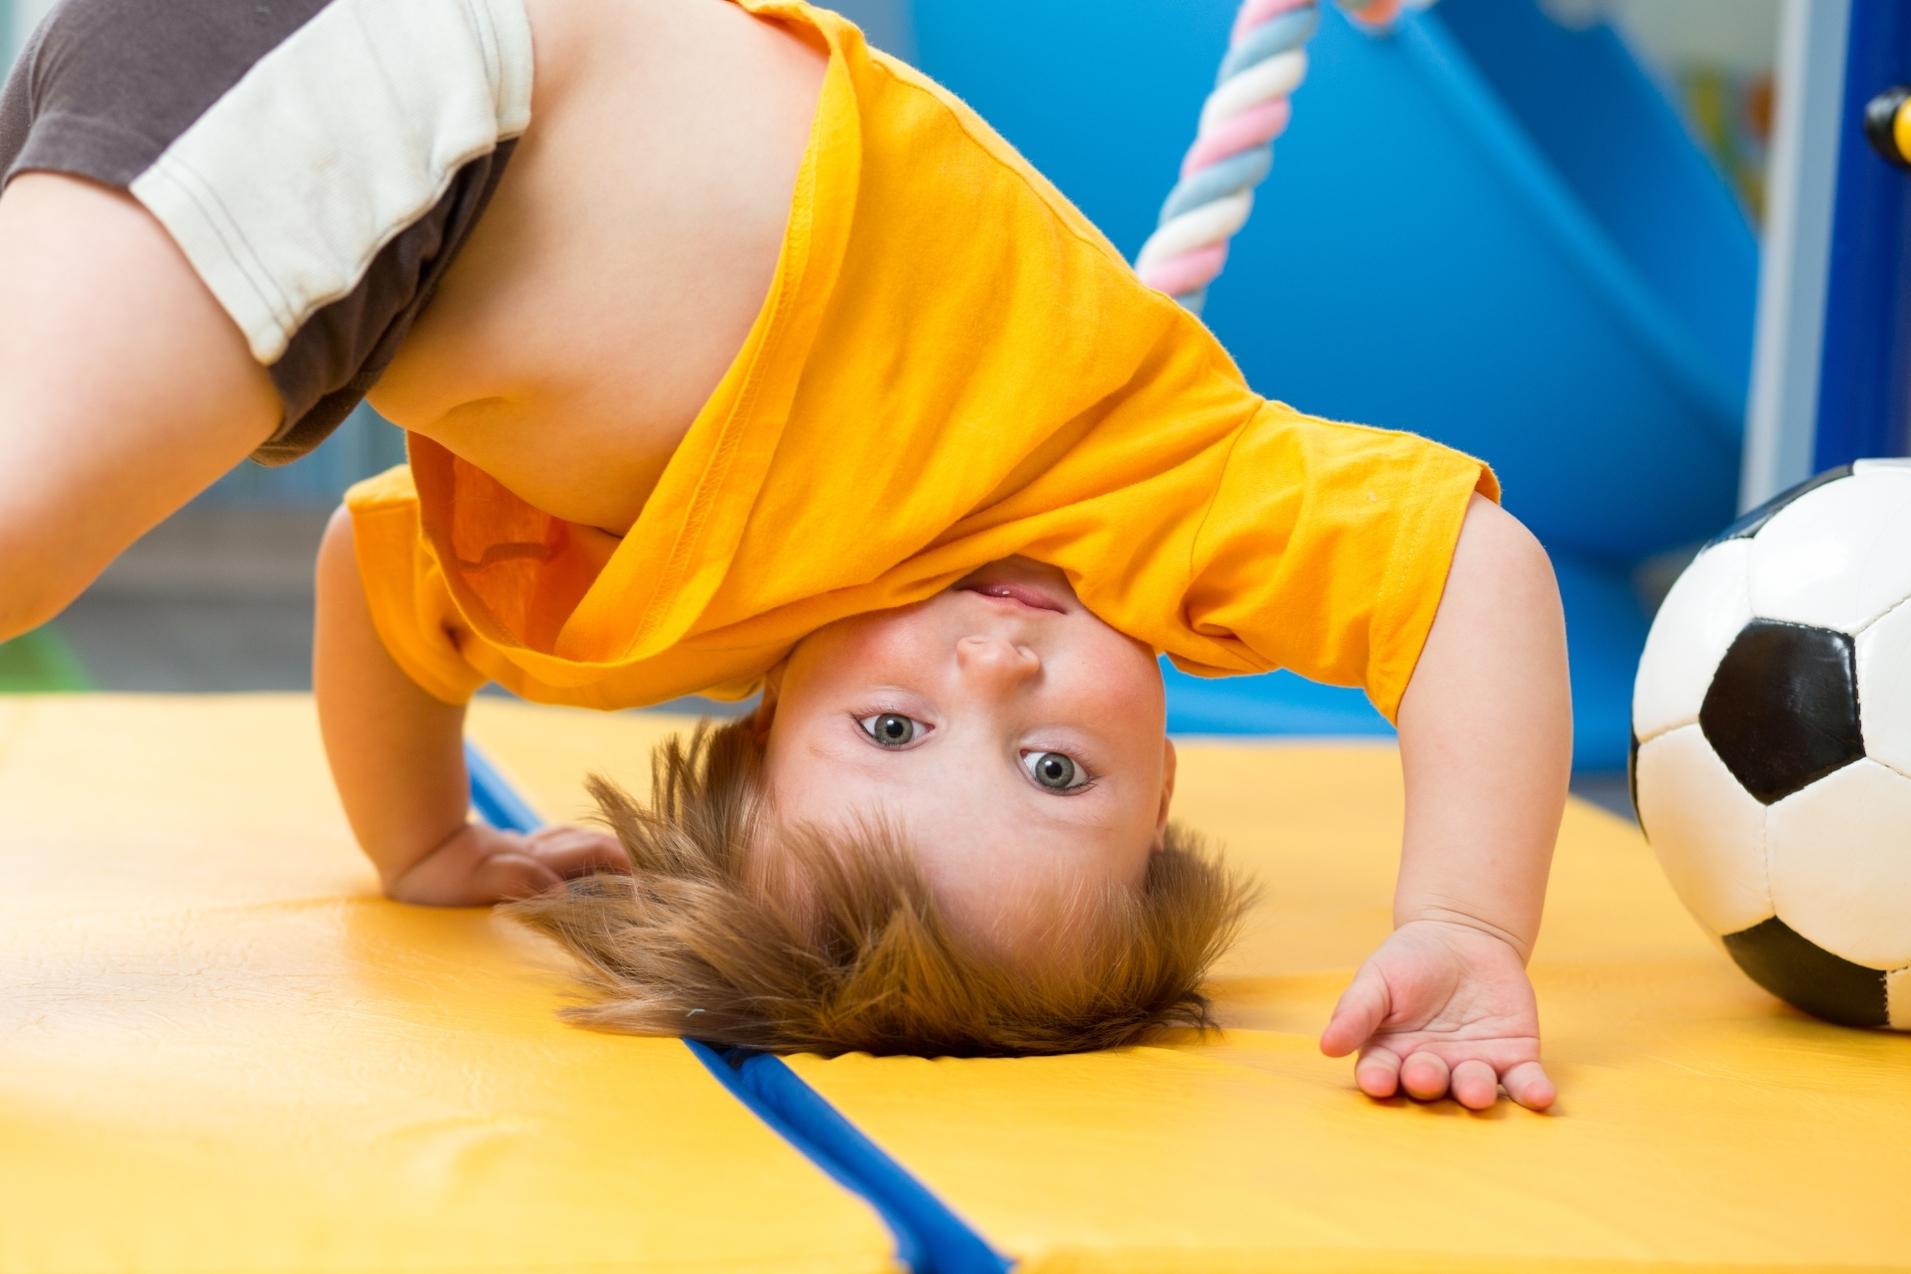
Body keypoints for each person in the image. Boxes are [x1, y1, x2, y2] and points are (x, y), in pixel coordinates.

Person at [0, 0, 1568, 1106]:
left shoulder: (649, 609)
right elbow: (1474, 578)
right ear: (1164, 786)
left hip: (361, 215)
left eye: (895, 732)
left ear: (766, 727)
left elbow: (380, 574)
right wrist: (1463, 918)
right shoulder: (1149, 483)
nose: (998, 668)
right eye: (1056, 770)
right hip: (431, 75)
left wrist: (419, 841)